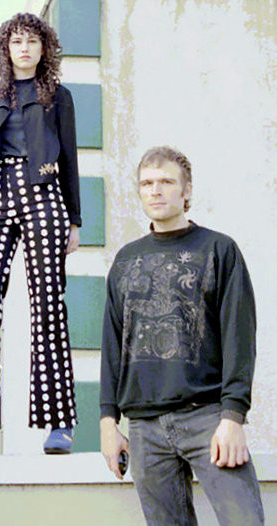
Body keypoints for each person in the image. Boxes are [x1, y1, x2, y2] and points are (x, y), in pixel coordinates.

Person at [100, 146, 264, 525]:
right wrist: (108, 423)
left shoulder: (219, 250)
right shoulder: (125, 260)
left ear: (187, 190)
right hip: (145, 428)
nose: (156, 191)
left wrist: (233, 417)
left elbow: (239, 337)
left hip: (208, 418)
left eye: (166, 182)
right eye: (147, 184)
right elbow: (112, 344)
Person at [0, 12, 81, 456]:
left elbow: (70, 160)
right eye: (17, 42)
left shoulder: (58, 97)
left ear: (44, 49)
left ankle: (59, 423)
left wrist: (74, 220)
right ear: (6, 49)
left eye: (32, 42)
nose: (24, 49)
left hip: (44, 194)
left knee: (48, 305)